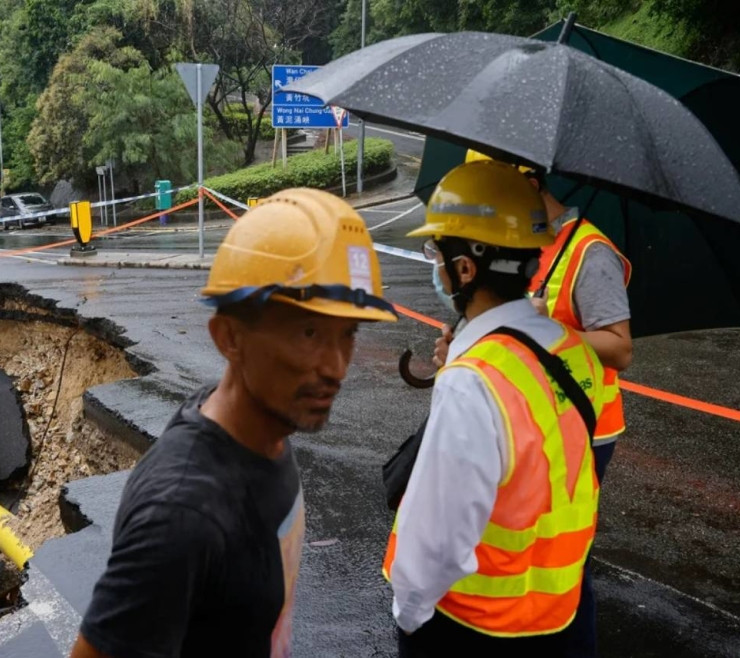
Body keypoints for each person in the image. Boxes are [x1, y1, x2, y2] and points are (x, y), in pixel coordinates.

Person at [70, 188, 398, 658]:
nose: (336, 367)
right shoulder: (181, 516)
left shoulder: (266, 429)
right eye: (309, 332)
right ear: (229, 337)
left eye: (348, 334)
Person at [387, 160, 605, 655]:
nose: (435, 265)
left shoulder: (473, 381)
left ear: (465, 268)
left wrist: (409, 614)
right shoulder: (571, 349)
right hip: (559, 614)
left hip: (473, 627)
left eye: (435, 251)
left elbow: (437, 537)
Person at [436, 151, 634, 656]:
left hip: (579, 426)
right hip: (523, 416)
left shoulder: (590, 252)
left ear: (528, 182)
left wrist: (541, 330)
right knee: (514, 544)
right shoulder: (523, 242)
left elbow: (620, 347)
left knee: (561, 555)